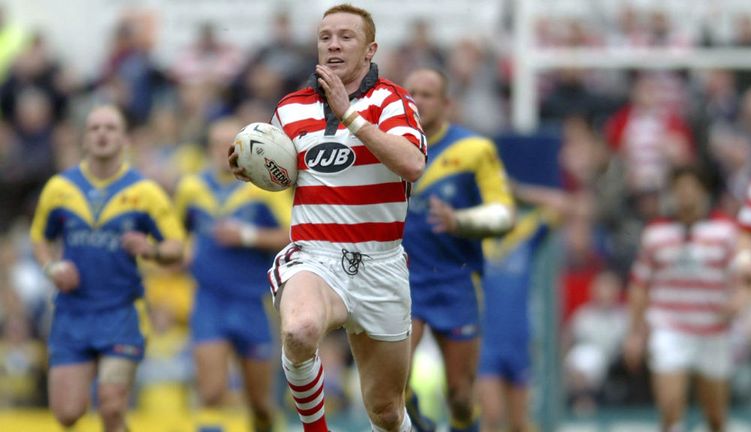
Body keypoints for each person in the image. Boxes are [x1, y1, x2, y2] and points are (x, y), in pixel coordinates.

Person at [229, 4, 427, 432]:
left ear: (370, 49)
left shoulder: (392, 101)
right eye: (325, 37)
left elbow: (412, 164)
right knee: (299, 331)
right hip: (316, 256)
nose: (333, 44)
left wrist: (350, 114)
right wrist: (253, 169)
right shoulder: (290, 109)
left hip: (381, 264)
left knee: (387, 412)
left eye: (346, 36)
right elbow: (288, 174)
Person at [29, 105, 184, 432]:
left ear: (125, 139)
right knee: (67, 414)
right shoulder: (60, 188)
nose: (102, 134)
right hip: (72, 313)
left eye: (110, 128)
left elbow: (176, 246)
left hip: (121, 312)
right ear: (84, 138)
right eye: (95, 128)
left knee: (111, 406)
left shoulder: (145, 192)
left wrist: (151, 250)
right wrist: (51, 268)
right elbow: (40, 239)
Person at [402, 68, 515, 432]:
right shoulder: (389, 148)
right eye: (411, 92)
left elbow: (504, 215)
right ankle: (420, 424)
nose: (416, 101)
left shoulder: (474, 149)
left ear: (447, 103)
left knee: (461, 396)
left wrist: (460, 221)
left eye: (427, 94)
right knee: (392, 385)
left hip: (456, 280)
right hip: (403, 281)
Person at [175, 117, 291, 431]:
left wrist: (248, 236)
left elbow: (294, 234)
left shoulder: (264, 187)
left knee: (260, 403)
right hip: (209, 299)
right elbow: (177, 230)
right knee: (210, 392)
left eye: (230, 145)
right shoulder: (192, 187)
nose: (222, 152)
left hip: (252, 300)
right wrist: (181, 251)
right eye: (215, 144)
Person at [623, 165, 751, 432]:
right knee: (670, 409)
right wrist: (635, 333)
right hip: (669, 327)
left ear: (704, 192)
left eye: (692, 188)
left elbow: (747, 274)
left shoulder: (725, 232)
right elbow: (639, 285)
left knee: (716, 417)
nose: (686, 195)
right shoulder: (656, 233)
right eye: (680, 189)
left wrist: (740, 299)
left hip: (712, 330)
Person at [478, 185, 563, 432]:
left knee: (518, 423)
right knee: (491, 416)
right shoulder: (479, 243)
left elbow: (561, 206)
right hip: (488, 343)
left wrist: (520, 191)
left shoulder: (525, 238)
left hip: (519, 340)